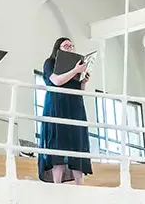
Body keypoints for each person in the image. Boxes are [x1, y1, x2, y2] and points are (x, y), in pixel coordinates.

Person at [37, 37, 91, 185]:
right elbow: (56, 81)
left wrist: (83, 81)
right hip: (57, 104)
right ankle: (57, 185)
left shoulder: (76, 66)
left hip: (75, 106)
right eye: (66, 45)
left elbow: (79, 91)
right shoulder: (50, 63)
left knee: (77, 143)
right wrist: (75, 70)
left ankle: (80, 186)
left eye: (72, 46)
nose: (70, 48)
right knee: (57, 144)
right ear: (58, 48)